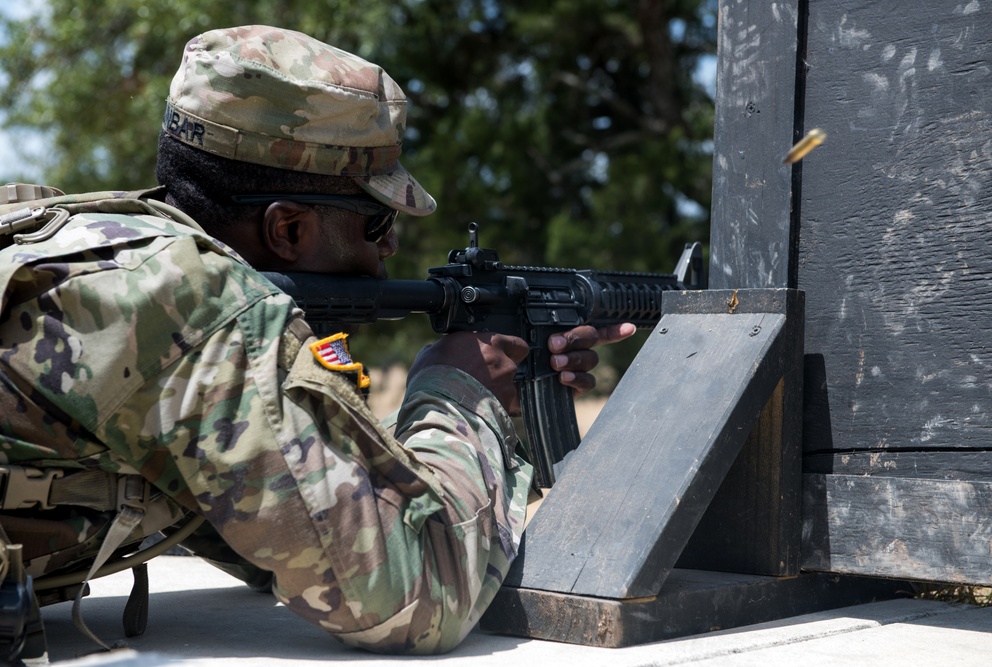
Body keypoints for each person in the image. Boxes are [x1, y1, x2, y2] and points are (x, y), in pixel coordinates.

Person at [0, 25, 634, 655]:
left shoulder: (100, 247)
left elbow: (284, 529)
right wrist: (461, 395)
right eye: (378, 221)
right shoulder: (187, 301)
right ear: (290, 231)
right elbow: (412, 600)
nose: (389, 246)